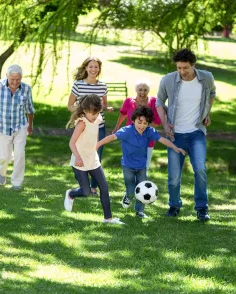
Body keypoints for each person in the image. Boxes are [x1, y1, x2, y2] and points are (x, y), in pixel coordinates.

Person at [156, 48, 216, 222]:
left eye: (185, 68)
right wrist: (165, 123)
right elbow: (160, 101)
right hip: (175, 135)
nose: (182, 72)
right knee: (174, 174)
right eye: (179, 68)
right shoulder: (168, 80)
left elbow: (212, 93)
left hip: (196, 131)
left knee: (200, 169)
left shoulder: (206, 78)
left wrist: (207, 112)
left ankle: (202, 209)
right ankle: (174, 206)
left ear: (193, 66)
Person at [97, 106, 185, 218]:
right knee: (130, 189)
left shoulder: (149, 131)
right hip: (127, 166)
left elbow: (162, 140)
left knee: (143, 189)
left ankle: (139, 211)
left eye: (145, 123)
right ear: (133, 120)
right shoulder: (126, 131)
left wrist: (175, 148)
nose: (142, 126)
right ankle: (128, 196)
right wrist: (98, 144)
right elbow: (111, 138)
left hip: (141, 167)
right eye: (139, 122)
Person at [64, 94, 124, 225]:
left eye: (97, 113)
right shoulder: (81, 123)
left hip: (93, 159)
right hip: (80, 161)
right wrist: (78, 157)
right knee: (85, 192)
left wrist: (95, 148)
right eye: (93, 114)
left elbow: (93, 136)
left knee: (104, 187)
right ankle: (71, 194)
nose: (95, 116)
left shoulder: (98, 119)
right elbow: (72, 143)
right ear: (85, 111)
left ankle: (108, 218)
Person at [67, 56, 113, 196]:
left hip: (99, 125)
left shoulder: (103, 86)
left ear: (99, 69)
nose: (94, 69)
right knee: (81, 151)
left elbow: (102, 105)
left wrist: (107, 108)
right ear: (86, 68)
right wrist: (80, 112)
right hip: (83, 126)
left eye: (96, 67)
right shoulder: (78, 85)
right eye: (91, 66)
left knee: (96, 154)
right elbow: (70, 105)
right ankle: (83, 183)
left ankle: (93, 188)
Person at [0, 64, 35, 190]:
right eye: (12, 79)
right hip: (2, 127)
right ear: (7, 76)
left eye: (18, 79)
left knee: (19, 154)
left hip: (20, 127)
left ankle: (16, 182)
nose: (15, 82)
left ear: (21, 78)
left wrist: (30, 125)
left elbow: (30, 109)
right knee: (4, 156)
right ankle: (1, 172)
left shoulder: (26, 89)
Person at [113, 80, 161, 173]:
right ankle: (130, 185)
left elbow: (157, 121)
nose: (142, 92)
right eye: (140, 90)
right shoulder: (128, 101)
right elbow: (123, 114)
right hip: (130, 139)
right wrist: (116, 128)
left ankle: (141, 185)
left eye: (145, 90)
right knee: (128, 166)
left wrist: (142, 126)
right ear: (136, 90)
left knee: (144, 167)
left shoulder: (153, 102)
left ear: (148, 91)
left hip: (147, 139)